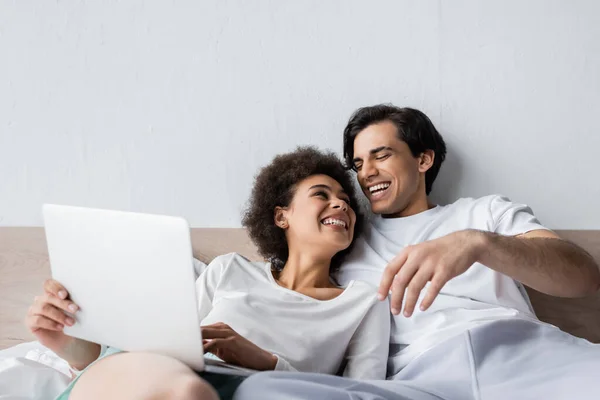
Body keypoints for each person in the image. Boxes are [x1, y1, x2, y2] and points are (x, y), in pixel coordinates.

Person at [234, 105, 600, 400]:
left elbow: (583, 278)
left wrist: (477, 243)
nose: (367, 173)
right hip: (417, 382)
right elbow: (278, 292)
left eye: (381, 155)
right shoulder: (344, 244)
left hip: (529, 358)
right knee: (264, 391)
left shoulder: (483, 213)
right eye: (359, 164)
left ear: (423, 161)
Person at [25, 147, 390, 400]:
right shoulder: (228, 269)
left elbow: (364, 393)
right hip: (158, 375)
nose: (340, 203)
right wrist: (71, 343)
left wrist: (265, 361)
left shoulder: (364, 302)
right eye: (321, 194)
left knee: (190, 393)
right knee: (184, 389)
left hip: (244, 391)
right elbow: (165, 346)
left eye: (345, 198)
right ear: (282, 217)